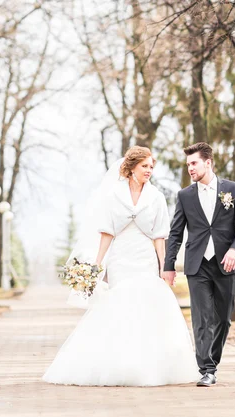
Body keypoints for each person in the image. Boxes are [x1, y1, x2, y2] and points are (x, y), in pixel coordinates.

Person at [43, 146, 198, 386]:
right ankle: (117, 363)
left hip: (145, 257)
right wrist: (97, 265)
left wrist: (163, 267)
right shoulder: (113, 194)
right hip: (120, 258)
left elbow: (160, 236)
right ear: (132, 167)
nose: (149, 171)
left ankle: (145, 365)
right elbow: (107, 232)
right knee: (121, 305)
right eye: (145, 166)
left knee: (145, 306)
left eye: (151, 167)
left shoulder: (156, 196)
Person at [162, 142, 235, 387]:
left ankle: (213, 363)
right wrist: (169, 266)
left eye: (194, 163)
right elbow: (176, 232)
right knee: (202, 318)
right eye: (188, 164)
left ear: (208, 162)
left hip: (227, 264)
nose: (190, 168)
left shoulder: (232, 189)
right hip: (197, 265)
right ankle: (207, 369)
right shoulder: (185, 196)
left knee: (223, 319)